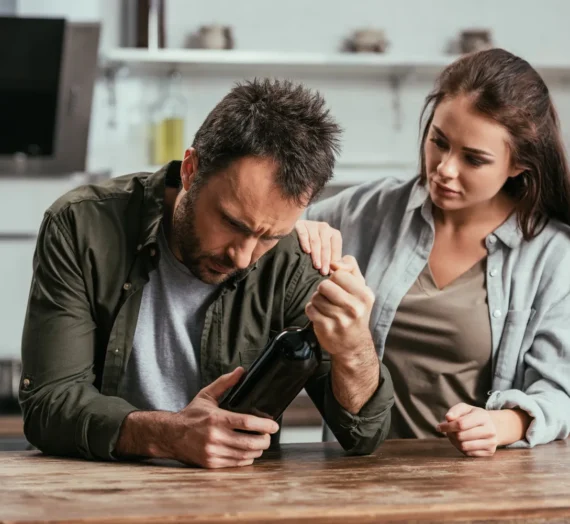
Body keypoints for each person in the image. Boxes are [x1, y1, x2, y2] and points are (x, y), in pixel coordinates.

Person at [19, 79, 394, 468]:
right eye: (233, 222)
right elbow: (49, 404)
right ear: (190, 170)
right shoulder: (82, 225)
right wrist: (171, 435)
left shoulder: (294, 260)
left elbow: (363, 434)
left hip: (235, 502)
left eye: (269, 235)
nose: (244, 256)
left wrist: (354, 349)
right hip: (101, 490)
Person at [296, 48, 570, 457]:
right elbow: (267, 232)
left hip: (479, 492)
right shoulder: (368, 211)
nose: (444, 169)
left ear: (519, 165)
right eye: (438, 142)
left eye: (474, 159)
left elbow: (559, 393)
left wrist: (504, 423)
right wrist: (298, 225)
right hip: (356, 480)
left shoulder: (553, 256)